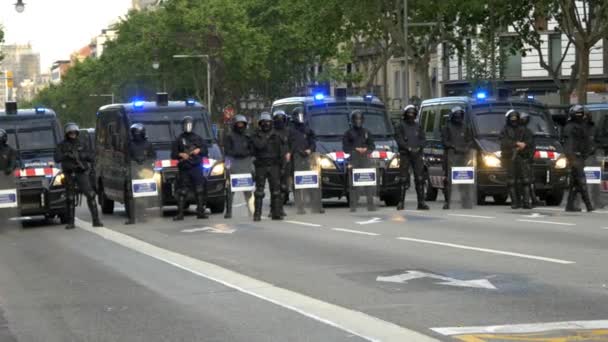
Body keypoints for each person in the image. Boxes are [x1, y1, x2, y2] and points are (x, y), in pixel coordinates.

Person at [54, 123, 103, 229]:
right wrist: (66, 155)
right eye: (70, 133)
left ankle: (96, 220)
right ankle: (71, 222)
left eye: (74, 132)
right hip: (69, 173)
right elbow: (57, 158)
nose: (72, 134)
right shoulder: (62, 145)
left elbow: (92, 156)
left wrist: (83, 155)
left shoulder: (82, 143)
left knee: (90, 195)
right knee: (70, 198)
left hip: (81, 172)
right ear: (67, 134)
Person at [171, 116, 209, 221]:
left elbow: (205, 151)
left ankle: (200, 212)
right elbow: (173, 154)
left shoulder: (198, 138)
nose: (188, 127)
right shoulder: (179, 139)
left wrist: (199, 150)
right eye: (186, 124)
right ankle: (180, 214)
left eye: (190, 124)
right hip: (185, 168)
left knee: (199, 190)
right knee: (182, 191)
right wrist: (181, 154)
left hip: (196, 167)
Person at [252, 112, 286, 221]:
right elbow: (259, 146)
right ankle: (257, 214)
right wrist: (267, 137)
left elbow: (281, 152)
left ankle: (276, 213)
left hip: (274, 165)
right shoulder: (256, 135)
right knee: (259, 192)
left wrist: (283, 167)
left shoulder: (276, 136)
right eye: (264, 122)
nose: (266, 124)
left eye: (268, 122)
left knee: (276, 191)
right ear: (260, 123)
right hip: (261, 165)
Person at [394, 105, 429, 210]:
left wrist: (419, 147)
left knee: (420, 178)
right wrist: (408, 148)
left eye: (413, 114)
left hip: (417, 154)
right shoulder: (400, 126)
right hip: (405, 154)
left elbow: (423, 139)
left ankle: (421, 202)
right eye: (409, 114)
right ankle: (401, 202)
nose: (411, 116)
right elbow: (399, 139)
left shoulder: (418, 126)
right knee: (403, 178)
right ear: (405, 115)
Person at [291, 107, 324, 214]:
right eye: (298, 116)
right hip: (296, 159)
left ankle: (316, 206)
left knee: (312, 181)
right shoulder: (290, 130)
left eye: (302, 116)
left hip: (308, 158)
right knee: (298, 183)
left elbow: (313, 141)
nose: (300, 118)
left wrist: (310, 150)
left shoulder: (308, 129)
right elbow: (289, 144)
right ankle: (300, 207)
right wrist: (297, 150)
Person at [500, 110, 534, 209]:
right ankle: (515, 202)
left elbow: (530, 141)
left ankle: (526, 202)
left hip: (522, 157)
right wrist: (516, 144)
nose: (514, 121)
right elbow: (504, 143)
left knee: (526, 180)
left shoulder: (524, 129)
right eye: (512, 119)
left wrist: (524, 145)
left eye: (515, 119)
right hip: (509, 157)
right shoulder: (505, 130)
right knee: (511, 181)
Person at [441, 106, 473, 209]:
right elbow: (445, 142)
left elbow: (470, 140)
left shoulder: (466, 127)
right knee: (449, 180)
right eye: (456, 115)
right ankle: (448, 201)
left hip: (463, 156)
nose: (458, 117)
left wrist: (467, 148)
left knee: (465, 179)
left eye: (460, 115)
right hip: (451, 156)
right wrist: (454, 147)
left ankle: (466, 200)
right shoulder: (446, 127)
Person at [343, 110, 376, 212]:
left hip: (365, 160)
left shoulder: (367, 132)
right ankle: (353, 205)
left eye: (360, 119)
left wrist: (366, 149)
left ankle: (370, 205)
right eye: (356, 119)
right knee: (353, 184)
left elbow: (372, 145)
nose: (358, 121)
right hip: (354, 160)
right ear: (352, 120)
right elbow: (345, 148)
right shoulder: (348, 133)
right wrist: (355, 149)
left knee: (368, 183)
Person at [563, 105, 594, 212]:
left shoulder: (581, 126)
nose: (580, 115)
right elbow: (569, 145)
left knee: (575, 183)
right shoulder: (570, 127)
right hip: (575, 157)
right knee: (581, 181)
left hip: (579, 156)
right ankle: (589, 206)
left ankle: (570, 205)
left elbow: (585, 141)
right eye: (578, 113)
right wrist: (572, 158)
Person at [125, 123, 157, 225]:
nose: (136, 135)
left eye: (138, 133)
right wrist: (135, 160)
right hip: (133, 171)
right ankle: (132, 217)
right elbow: (126, 158)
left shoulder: (148, 144)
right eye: (135, 133)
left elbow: (153, 157)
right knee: (131, 195)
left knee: (143, 194)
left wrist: (145, 160)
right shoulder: (130, 144)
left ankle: (143, 215)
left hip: (144, 172)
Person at [223, 114, 254, 219]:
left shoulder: (248, 137)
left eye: (242, 124)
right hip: (233, 164)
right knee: (230, 190)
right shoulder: (229, 136)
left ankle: (251, 210)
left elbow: (252, 151)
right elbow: (227, 152)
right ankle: (229, 211)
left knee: (248, 190)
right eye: (238, 124)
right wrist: (227, 169)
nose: (240, 126)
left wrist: (251, 166)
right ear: (234, 125)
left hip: (245, 165)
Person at [519, 112, 543, 207]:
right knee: (526, 181)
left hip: (525, 158)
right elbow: (528, 145)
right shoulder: (524, 131)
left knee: (528, 180)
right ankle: (525, 201)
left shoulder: (522, 131)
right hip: (524, 158)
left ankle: (532, 199)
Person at [272, 110, 292, 217]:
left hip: (286, 161)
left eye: (281, 119)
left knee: (284, 186)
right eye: (277, 119)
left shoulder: (288, 131)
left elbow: (292, 144)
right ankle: (273, 209)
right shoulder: (271, 132)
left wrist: (290, 152)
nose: (279, 121)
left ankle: (281, 208)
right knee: (274, 186)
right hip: (274, 162)